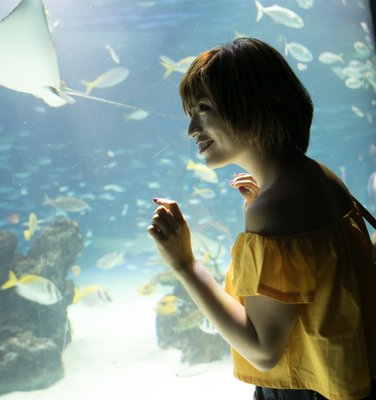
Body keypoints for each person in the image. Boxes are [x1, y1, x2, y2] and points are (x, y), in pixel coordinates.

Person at [147, 37, 376, 399]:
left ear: (252, 106)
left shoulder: (276, 209)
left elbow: (262, 350)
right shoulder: (319, 176)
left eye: (203, 107)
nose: (192, 129)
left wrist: (184, 263)